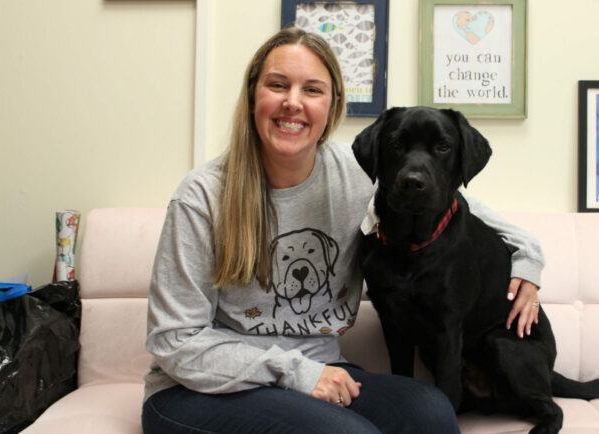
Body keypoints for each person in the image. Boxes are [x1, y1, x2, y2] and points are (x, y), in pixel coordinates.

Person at [141, 27, 545, 434]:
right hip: (200, 389)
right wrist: (295, 372)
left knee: (432, 414)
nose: (292, 102)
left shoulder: (355, 175)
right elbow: (174, 341)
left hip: (321, 371)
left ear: (333, 107)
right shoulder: (202, 196)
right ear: (252, 97)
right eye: (277, 85)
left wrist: (528, 259)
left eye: (312, 90)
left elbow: (453, 204)